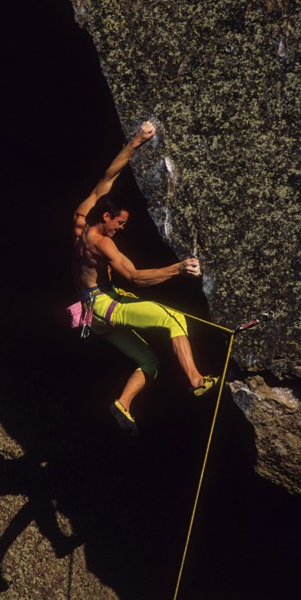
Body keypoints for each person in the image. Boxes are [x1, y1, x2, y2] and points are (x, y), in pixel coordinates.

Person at [72, 121, 218, 435]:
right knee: (174, 320)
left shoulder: (82, 216)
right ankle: (196, 380)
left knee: (150, 363)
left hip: (91, 316)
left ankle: (122, 405)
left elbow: (108, 176)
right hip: (105, 306)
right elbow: (136, 277)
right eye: (120, 223)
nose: (121, 229)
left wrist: (137, 140)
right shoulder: (102, 244)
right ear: (107, 217)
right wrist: (178, 268)